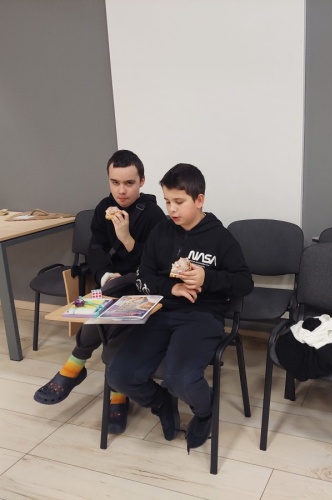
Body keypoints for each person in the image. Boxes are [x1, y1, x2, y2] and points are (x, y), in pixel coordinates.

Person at [106, 163, 253, 451]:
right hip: (160, 311)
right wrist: (171, 287)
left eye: (179, 202)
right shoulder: (161, 232)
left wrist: (206, 278)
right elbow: (144, 275)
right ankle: (161, 402)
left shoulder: (220, 238)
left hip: (202, 316)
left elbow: (244, 283)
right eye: (167, 201)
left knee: (180, 379)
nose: (172, 209)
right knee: (118, 375)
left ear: (199, 200)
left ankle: (205, 413)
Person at [34, 149, 166, 434]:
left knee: (110, 319)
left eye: (129, 183)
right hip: (110, 285)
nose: (121, 190)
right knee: (101, 307)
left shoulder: (154, 215)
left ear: (142, 181)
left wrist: (127, 238)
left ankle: (77, 368)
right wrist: (106, 275)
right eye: (115, 182)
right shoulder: (103, 208)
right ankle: (112, 388)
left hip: (142, 288)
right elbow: (95, 250)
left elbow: (155, 264)